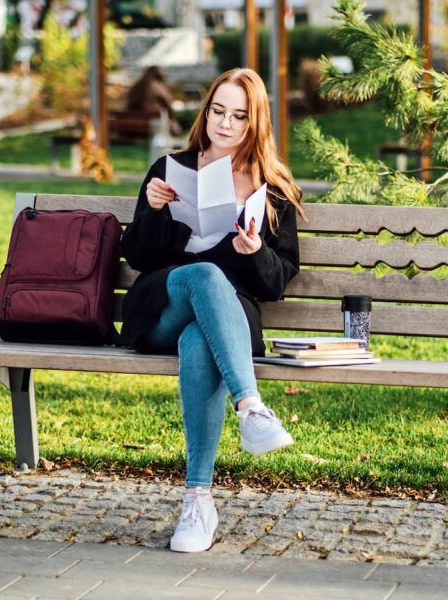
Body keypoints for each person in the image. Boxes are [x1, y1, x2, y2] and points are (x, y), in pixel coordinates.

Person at [118, 68, 305, 553]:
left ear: (255, 121)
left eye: (239, 116)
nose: (225, 123)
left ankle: (198, 500)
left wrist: (253, 251)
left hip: (227, 322)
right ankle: (251, 406)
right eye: (218, 111)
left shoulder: (273, 188)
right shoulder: (169, 167)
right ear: (206, 113)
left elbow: (279, 280)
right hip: (163, 303)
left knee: (201, 340)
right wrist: (155, 210)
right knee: (203, 275)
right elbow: (136, 255)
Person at [126, 66, 183, 137]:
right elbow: (168, 105)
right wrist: (173, 119)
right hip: (152, 124)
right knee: (172, 122)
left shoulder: (136, 86)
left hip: (132, 124)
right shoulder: (158, 87)